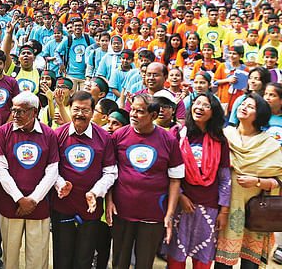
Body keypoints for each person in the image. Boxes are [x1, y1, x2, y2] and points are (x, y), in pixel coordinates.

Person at [108, 92, 184, 269]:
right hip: (122, 211)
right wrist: (109, 200)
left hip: (153, 214)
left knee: (144, 263)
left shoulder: (168, 140)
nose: (133, 115)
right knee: (119, 262)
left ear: (154, 116)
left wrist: (169, 214)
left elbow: (175, 180)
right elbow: (110, 171)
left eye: (140, 111)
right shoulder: (119, 135)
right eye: (132, 110)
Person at [0, 91, 59, 269]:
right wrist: (19, 198)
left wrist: (33, 200)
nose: (15, 115)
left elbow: (52, 170)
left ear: (35, 112)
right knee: (10, 257)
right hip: (9, 204)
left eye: (21, 111)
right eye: (13, 110)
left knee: (37, 256)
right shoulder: (4, 132)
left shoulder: (48, 134)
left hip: (39, 205)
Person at [162, 92, 231, 269]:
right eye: (197, 103)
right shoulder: (177, 134)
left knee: (203, 260)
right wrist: (180, 196)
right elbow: (166, 171)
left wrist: (223, 212)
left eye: (206, 105)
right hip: (180, 205)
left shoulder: (220, 140)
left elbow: (224, 178)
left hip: (209, 207)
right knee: (176, 260)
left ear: (213, 112)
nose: (199, 107)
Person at [215, 94, 282, 269]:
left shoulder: (269, 144)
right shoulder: (224, 136)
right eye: (243, 104)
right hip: (225, 209)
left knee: (250, 264)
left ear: (259, 114)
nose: (243, 107)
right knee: (222, 263)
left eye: (250, 106)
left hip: (257, 212)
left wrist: (257, 181)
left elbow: (279, 179)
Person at [52, 91, 117, 269]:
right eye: (76, 109)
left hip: (91, 208)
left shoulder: (103, 137)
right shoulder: (57, 135)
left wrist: (96, 192)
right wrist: (60, 184)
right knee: (62, 257)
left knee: (84, 258)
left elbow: (110, 172)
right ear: (69, 109)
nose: (80, 114)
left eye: (86, 110)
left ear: (93, 111)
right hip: (63, 205)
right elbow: (51, 168)